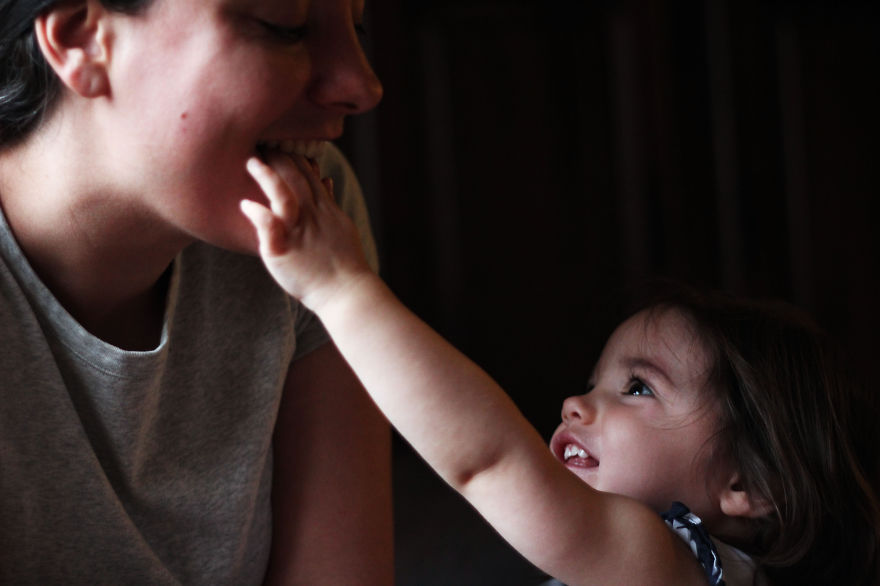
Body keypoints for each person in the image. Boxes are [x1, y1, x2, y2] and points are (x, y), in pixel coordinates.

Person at [239, 153, 880, 586]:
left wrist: (342, 290)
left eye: (636, 388)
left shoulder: (661, 561)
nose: (576, 403)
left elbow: (490, 461)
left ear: (747, 484)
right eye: (594, 380)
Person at [0, 0, 393, 584]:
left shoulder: (309, 221)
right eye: (284, 25)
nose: (361, 84)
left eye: (356, 26)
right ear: (81, 39)